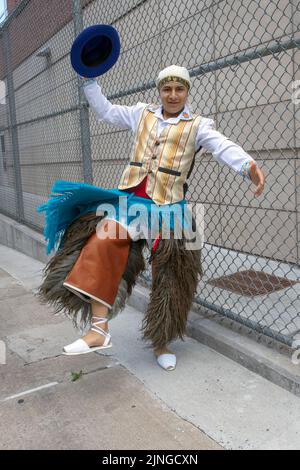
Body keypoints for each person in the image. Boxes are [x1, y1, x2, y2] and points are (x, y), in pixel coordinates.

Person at [36, 65, 265, 371]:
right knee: (102, 241)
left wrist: (248, 167)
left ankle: (161, 342)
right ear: (159, 91)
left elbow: (223, 147)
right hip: (131, 203)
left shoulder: (199, 126)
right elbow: (105, 112)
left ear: (187, 91)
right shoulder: (141, 113)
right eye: (167, 89)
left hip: (171, 208)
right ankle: (98, 329)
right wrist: (89, 81)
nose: (173, 95)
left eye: (179, 89)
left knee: (169, 274)